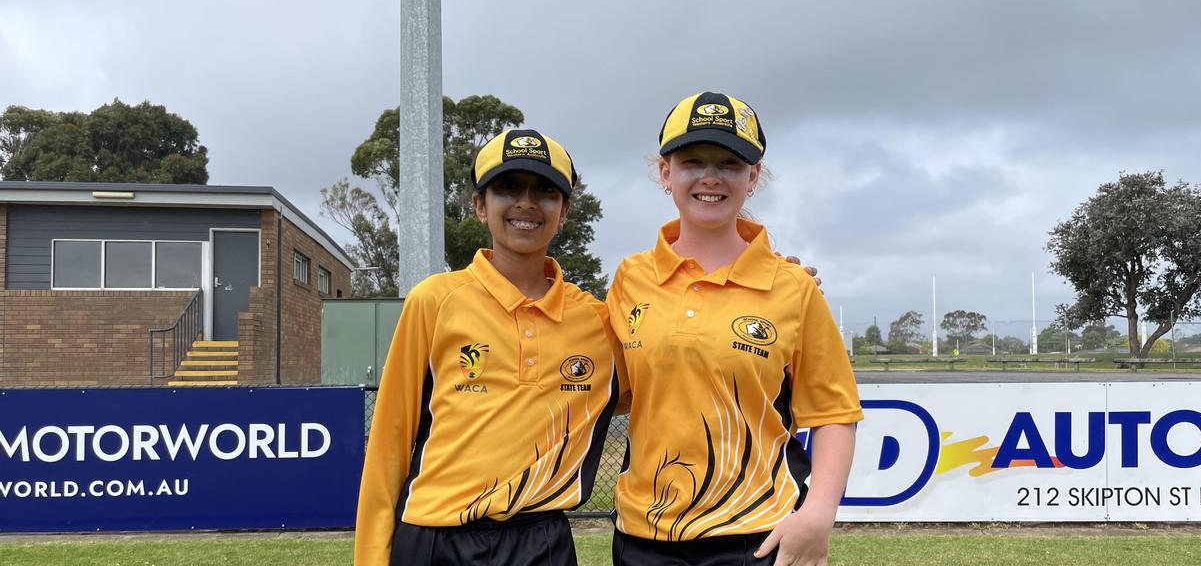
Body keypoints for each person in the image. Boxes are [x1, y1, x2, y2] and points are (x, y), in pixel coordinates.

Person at [606, 93, 861, 565]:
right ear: (666, 173)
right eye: (692, 162)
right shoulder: (629, 279)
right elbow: (614, 391)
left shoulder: (793, 288)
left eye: (729, 162)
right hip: (644, 537)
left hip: (757, 536)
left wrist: (818, 514)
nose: (710, 177)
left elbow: (833, 414)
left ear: (753, 178)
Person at [355, 129, 623, 566]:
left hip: (543, 543)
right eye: (508, 187)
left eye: (546, 191)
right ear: (479, 206)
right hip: (435, 540)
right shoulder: (435, 301)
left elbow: (669, 383)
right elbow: (390, 444)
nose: (527, 203)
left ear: (565, 211)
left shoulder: (597, 321)